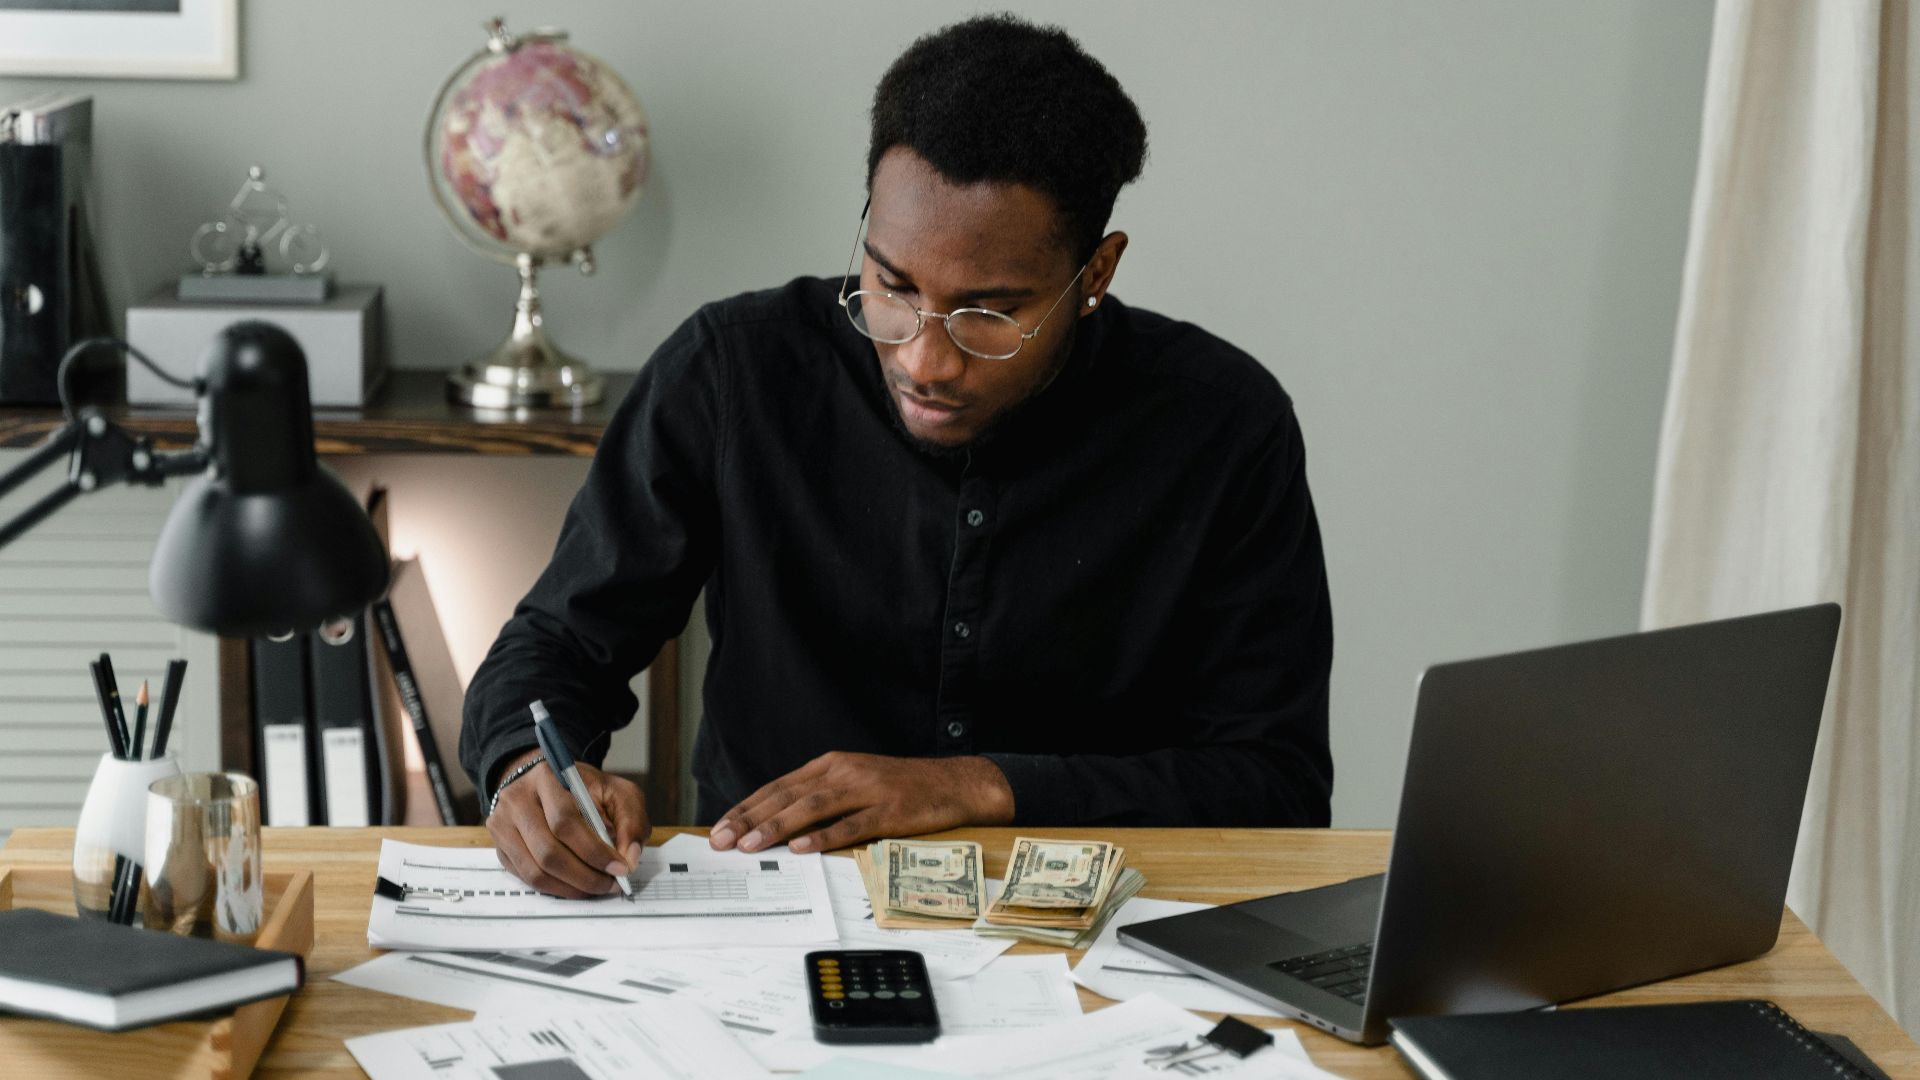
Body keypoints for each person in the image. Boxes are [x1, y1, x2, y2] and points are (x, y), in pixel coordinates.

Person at [461, 13, 1334, 899]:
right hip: (770, 908)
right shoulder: (735, 370)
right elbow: (558, 642)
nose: (924, 358)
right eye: (892, 285)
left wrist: (979, 786)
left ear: (1096, 274)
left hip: (1095, 922)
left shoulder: (1223, 425)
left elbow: (1277, 785)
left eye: (989, 312)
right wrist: (525, 768)